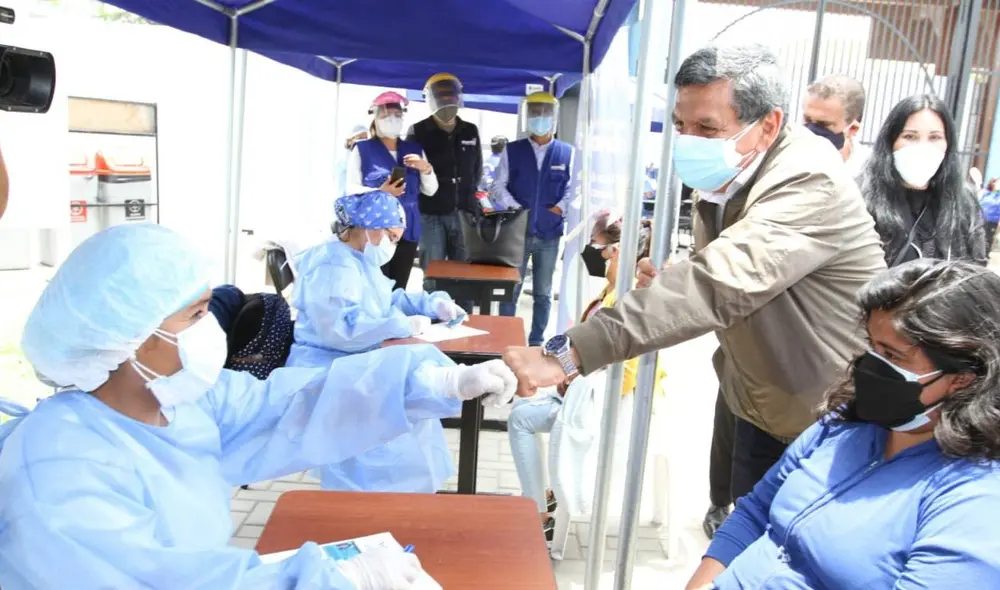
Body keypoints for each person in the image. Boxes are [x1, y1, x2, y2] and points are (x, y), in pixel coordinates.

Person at [0, 223, 517, 589]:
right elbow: (153, 580)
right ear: (129, 336)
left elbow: (290, 405)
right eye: (197, 313)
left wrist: (435, 381)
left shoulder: (179, 404)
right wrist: (333, 580)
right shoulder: (59, 471)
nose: (212, 328)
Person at [503, 43, 886, 504]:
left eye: (708, 127)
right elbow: (732, 276)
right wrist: (671, 279)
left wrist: (570, 353)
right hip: (758, 402)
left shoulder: (809, 179)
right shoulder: (731, 172)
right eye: (681, 126)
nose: (689, 141)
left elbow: (720, 282)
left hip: (823, 419)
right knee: (735, 544)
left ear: (769, 125)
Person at [685, 259, 1000, 589]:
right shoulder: (845, 423)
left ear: (962, 379)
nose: (871, 365)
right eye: (871, 345)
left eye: (891, 356)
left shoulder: (974, 500)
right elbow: (755, 511)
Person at [286, 192, 468, 493]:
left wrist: (431, 303)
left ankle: (399, 501)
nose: (392, 245)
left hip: (355, 358)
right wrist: (400, 324)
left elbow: (384, 299)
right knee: (393, 420)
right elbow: (340, 330)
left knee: (412, 415)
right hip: (329, 366)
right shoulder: (332, 266)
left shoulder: (357, 258)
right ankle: (369, 505)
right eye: (391, 236)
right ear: (369, 228)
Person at [508, 213, 662, 539]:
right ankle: (542, 500)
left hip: (606, 405)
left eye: (600, 248)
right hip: (587, 393)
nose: (595, 253)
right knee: (522, 412)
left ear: (617, 251)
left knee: (520, 419)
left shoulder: (629, 299)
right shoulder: (613, 291)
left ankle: (537, 512)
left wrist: (574, 377)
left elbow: (624, 376)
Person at [861, 94, 987, 267]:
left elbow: (977, 270)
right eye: (910, 137)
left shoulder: (963, 202)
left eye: (935, 137)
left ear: (948, 144)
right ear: (890, 141)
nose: (923, 147)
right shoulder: (862, 198)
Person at [492, 92, 577, 345]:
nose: (540, 118)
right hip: (517, 232)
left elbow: (574, 188)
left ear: (554, 116)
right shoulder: (513, 150)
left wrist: (560, 209)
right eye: (535, 112)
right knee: (511, 289)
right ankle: (506, 339)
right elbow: (498, 185)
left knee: (543, 292)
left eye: (545, 113)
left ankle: (537, 341)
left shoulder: (567, 153)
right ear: (527, 116)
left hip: (550, 233)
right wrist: (517, 208)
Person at [346, 92, 437, 290]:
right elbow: (351, 188)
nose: (392, 119)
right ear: (376, 119)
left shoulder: (414, 149)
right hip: (375, 228)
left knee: (399, 288)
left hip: (407, 228)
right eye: (386, 115)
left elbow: (431, 190)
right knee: (375, 287)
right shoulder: (362, 149)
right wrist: (380, 192)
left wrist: (426, 169)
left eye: (397, 115)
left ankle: (396, 320)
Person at [406, 73, 481, 308]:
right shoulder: (418, 131)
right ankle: (434, 320)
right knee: (433, 273)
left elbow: (476, 169)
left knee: (465, 274)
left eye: (451, 96)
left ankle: (465, 321)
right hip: (431, 214)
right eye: (441, 96)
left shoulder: (470, 130)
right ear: (431, 99)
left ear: (459, 98)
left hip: (463, 213)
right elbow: (411, 173)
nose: (447, 101)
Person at [802, 74, 869, 178]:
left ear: (852, 129)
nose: (811, 129)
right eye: (807, 119)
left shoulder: (869, 175)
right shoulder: (784, 161)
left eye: (823, 124)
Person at [982, 177, 1000, 251]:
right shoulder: (986, 193)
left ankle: (984, 258)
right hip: (980, 220)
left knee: (986, 241)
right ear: (993, 183)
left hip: (992, 222)